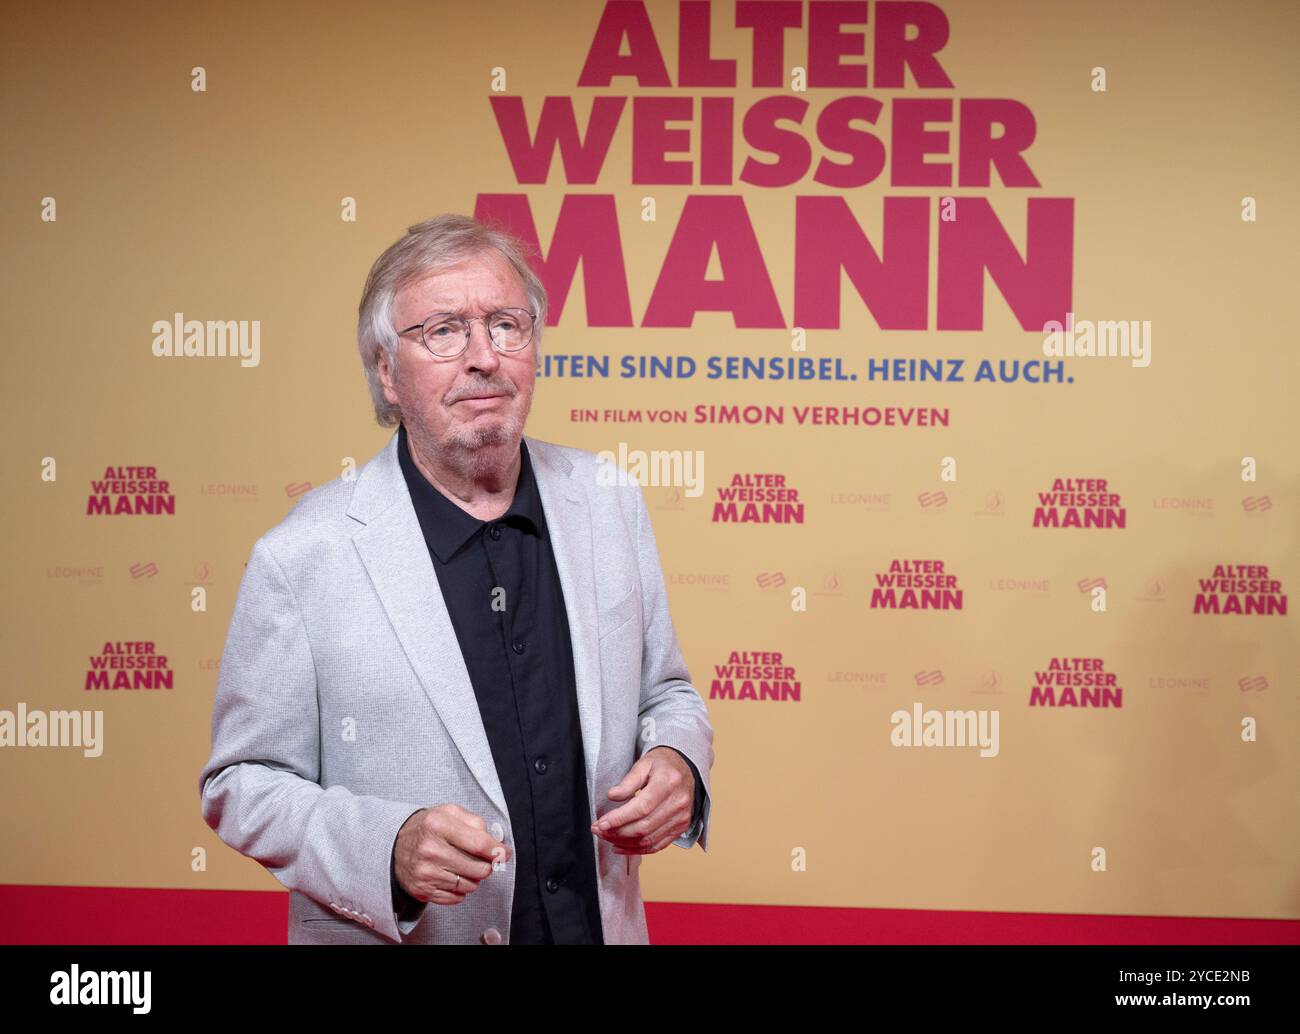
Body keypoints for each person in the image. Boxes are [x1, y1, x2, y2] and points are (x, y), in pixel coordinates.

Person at [199, 213, 713, 944]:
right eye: (444, 330)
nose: (484, 357)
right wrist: (388, 845)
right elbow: (240, 783)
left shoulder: (608, 502)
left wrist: (677, 761)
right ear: (386, 370)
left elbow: (667, 691)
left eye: (506, 324)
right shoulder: (301, 556)